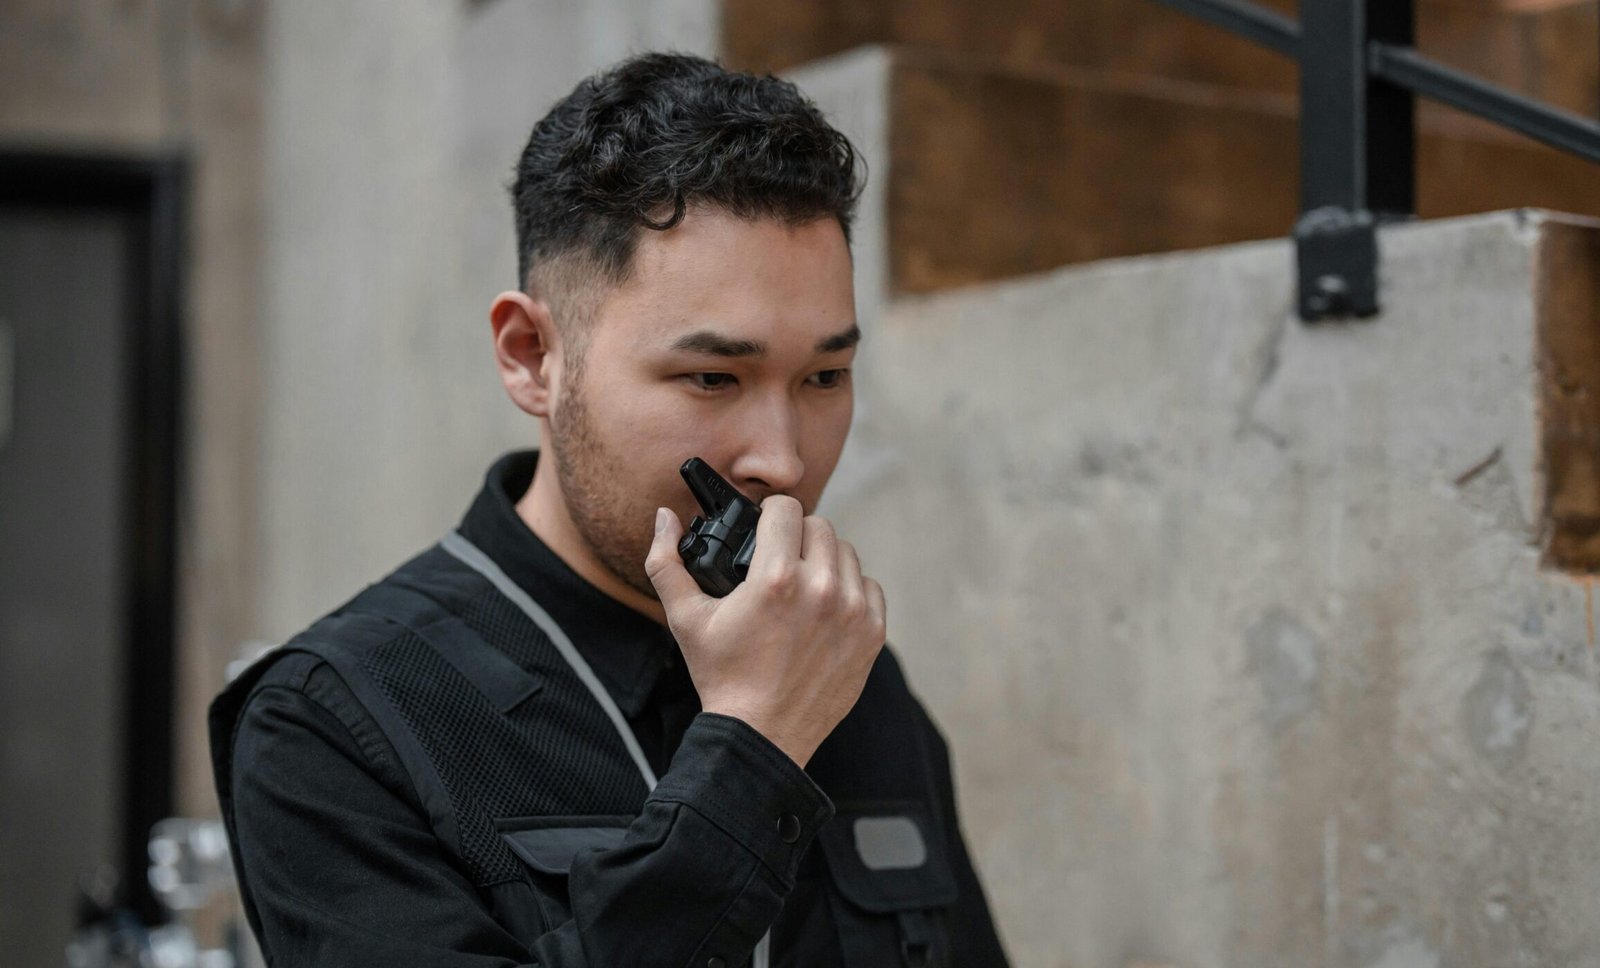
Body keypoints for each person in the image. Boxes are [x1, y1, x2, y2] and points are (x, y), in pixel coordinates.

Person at [210, 52, 1010, 968]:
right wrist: (751, 751)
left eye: (825, 376)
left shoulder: (844, 673)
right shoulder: (332, 724)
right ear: (531, 356)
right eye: (713, 377)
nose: (782, 460)